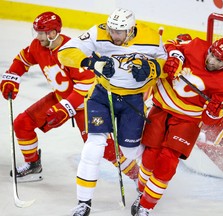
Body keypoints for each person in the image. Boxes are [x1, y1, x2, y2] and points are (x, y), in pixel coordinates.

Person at [0, 11, 139, 183]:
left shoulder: (70, 50)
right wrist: (11, 77)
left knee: (106, 150)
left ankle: (138, 177)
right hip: (60, 98)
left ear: (53, 33)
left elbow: (87, 85)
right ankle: (33, 165)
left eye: (42, 33)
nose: (38, 36)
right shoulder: (38, 46)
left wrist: (66, 107)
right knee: (22, 124)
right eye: (37, 32)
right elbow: (22, 60)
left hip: (88, 104)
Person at [57, 8, 167, 216]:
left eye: (119, 31)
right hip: (102, 95)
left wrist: (152, 68)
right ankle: (83, 202)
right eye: (111, 30)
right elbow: (65, 52)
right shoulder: (99, 32)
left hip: (133, 100)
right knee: (94, 145)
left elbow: (167, 64)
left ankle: (143, 185)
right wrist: (91, 62)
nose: (113, 35)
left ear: (131, 29)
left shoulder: (151, 37)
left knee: (130, 151)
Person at [131, 37, 223, 215]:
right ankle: (141, 191)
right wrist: (176, 58)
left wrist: (214, 111)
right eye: (212, 55)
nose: (212, 61)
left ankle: (146, 206)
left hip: (188, 120)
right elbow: (170, 45)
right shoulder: (196, 45)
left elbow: (210, 120)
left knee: (167, 162)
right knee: (150, 155)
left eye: (220, 60)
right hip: (161, 107)